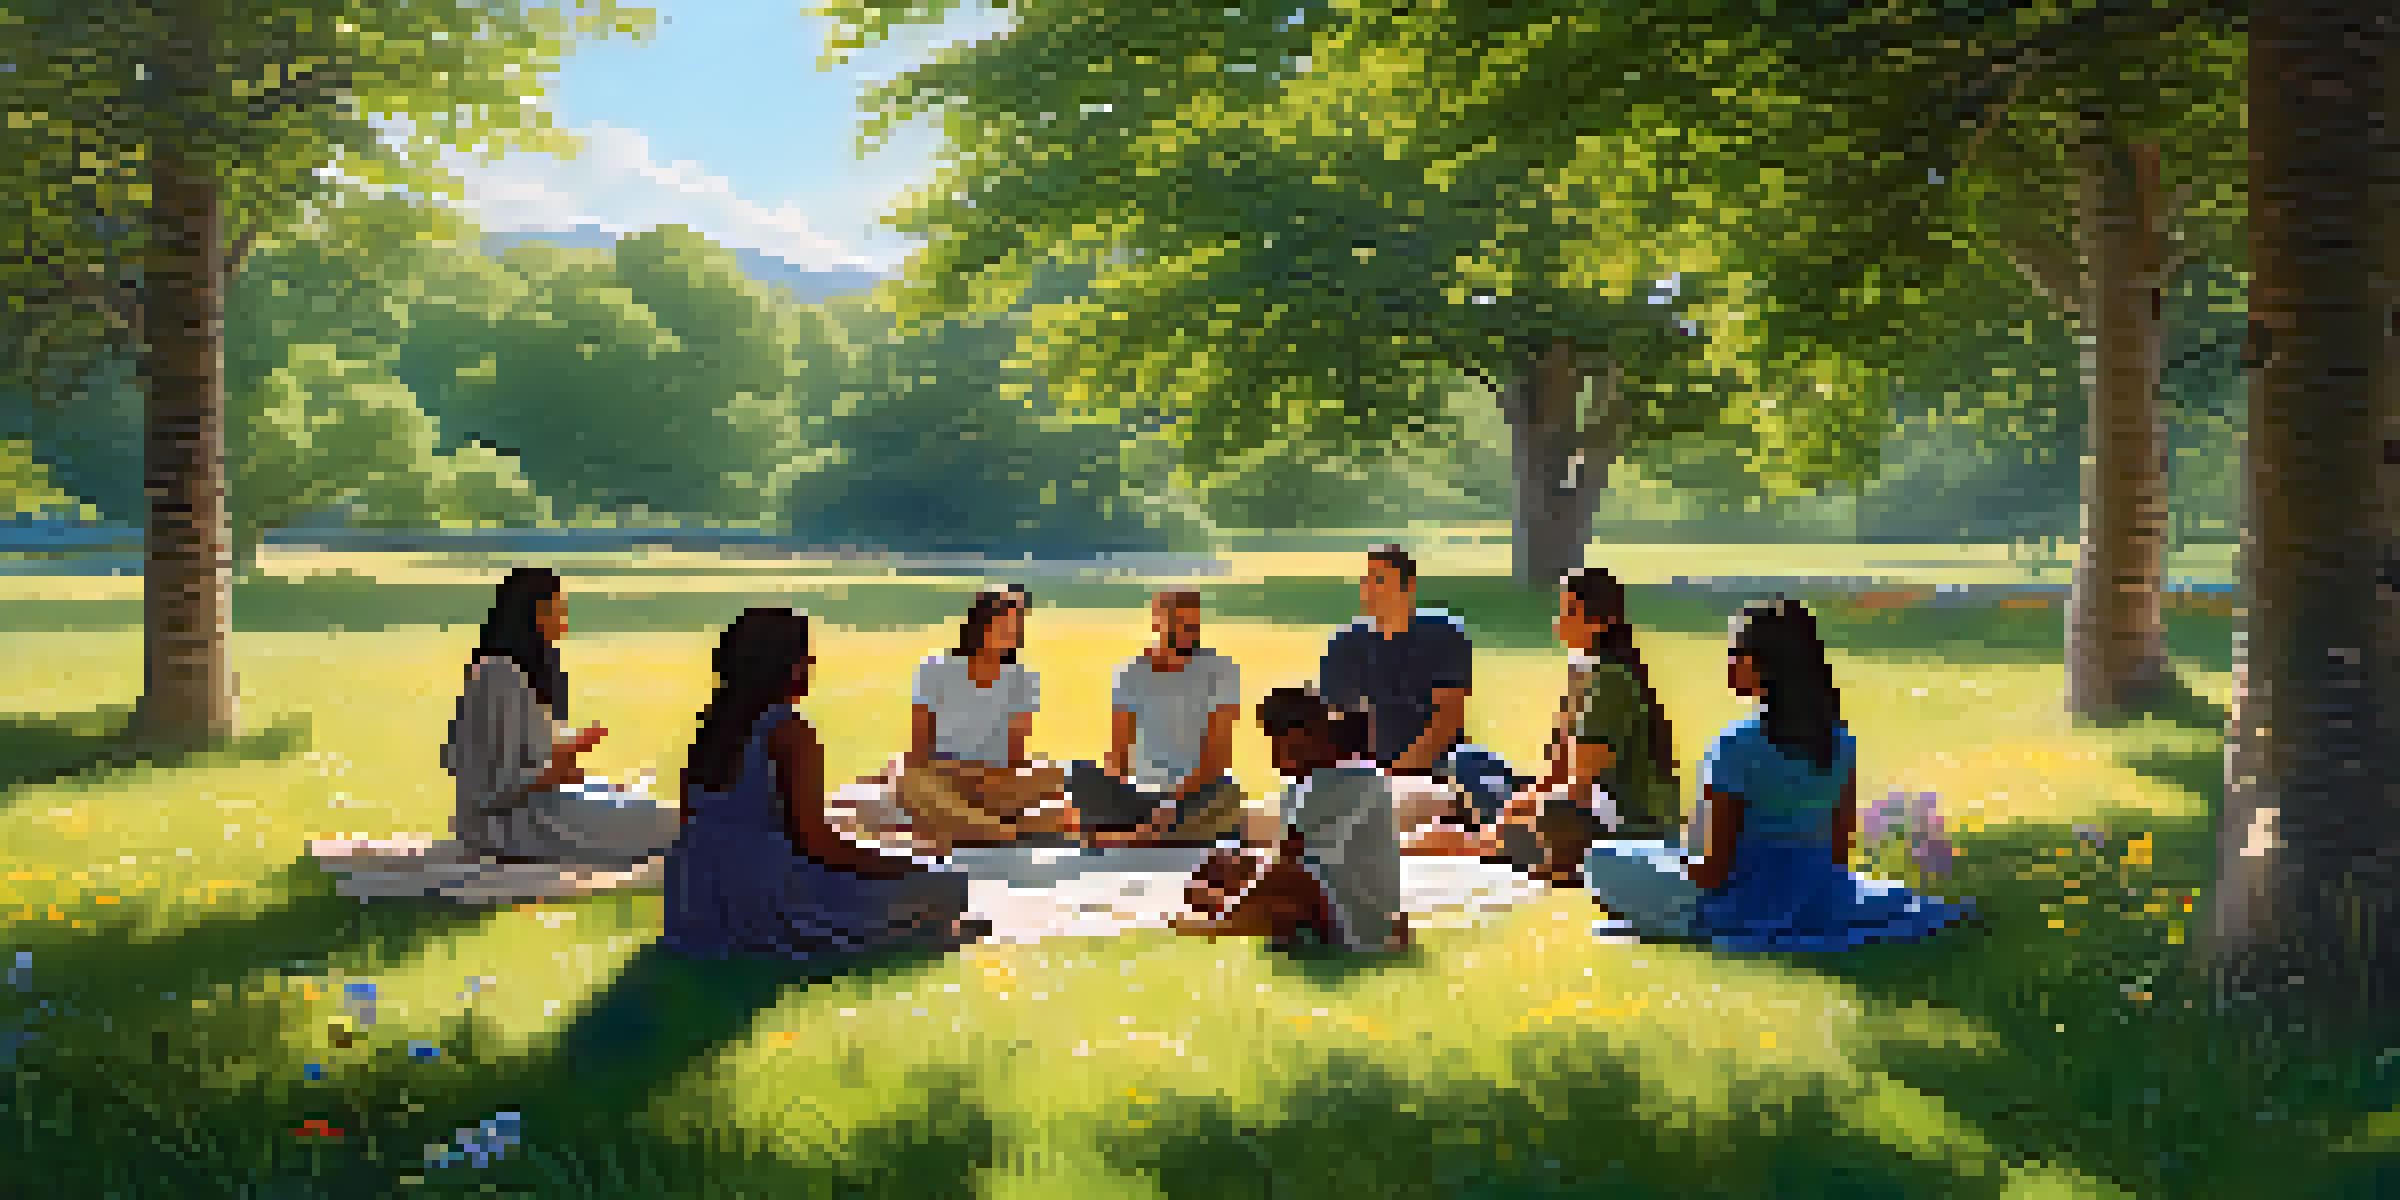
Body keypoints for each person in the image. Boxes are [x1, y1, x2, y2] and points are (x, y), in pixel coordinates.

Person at [1581, 598, 1978, 951]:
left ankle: (1665, 918)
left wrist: (1673, 864)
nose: (1729, 665)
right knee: (1643, 855)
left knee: (1602, 859)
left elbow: (1714, 870)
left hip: (1739, 899)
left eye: (1737, 654)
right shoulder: (1840, 742)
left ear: (1763, 665)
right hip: (1818, 892)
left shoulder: (1735, 745)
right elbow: (1839, 852)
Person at [664, 607, 985, 958]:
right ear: (787, 665)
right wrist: (902, 863)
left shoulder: (711, 725)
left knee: (915, 869)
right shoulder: (788, 729)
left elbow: (691, 819)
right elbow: (816, 843)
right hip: (765, 893)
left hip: (693, 896)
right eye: (805, 656)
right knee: (945, 880)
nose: (811, 664)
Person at [1451, 567, 1684, 884]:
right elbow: (1558, 765)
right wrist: (1521, 803)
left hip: (1624, 829)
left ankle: (1498, 845)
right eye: (1561, 610)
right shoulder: (1588, 672)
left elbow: (1578, 786)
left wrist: (1516, 813)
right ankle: (1492, 839)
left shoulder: (1610, 682)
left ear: (1600, 622)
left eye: (1571, 611)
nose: (1559, 621)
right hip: (1582, 806)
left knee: (1539, 814)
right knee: (1470, 762)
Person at [441, 567, 676, 867]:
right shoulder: (496, 675)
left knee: (637, 804)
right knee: (654, 818)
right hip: (505, 823)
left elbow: (531, 757)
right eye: (558, 611)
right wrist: (561, 763)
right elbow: (490, 785)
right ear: (534, 614)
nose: (563, 624)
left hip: (538, 801)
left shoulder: (527, 670)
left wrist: (573, 766)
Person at [1172, 687, 1408, 953]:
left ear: (1303, 739)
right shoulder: (1305, 782)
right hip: (1330, 902)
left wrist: (1238, 887)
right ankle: (1234, 913)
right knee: (1235, 868)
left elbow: (1290, 867)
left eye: (1276, 741)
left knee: (1289, 879)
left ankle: (1220, 922)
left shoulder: (1353, 779)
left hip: (1365, 923)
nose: (1273, 756)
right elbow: (1296, 856)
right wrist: (1236, 867)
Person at [1320, 545, 1528, 838]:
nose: (1370, 589)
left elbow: (1448, 721)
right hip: (1370, 775)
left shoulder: (1442, 634)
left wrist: (1393, 776)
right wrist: (1370, 780)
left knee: (1472, 765)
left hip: (1441, 766)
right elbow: (1339, 725)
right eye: (1366, 580)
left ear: (1409, 587)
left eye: (1380, 580)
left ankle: (1517, 821)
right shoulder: (1345, 644)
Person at [871, 585, 1079, 853]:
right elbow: (919, 750)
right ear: (980, 624)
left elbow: (1015, 756)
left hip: (995, 784)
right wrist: (961, 773)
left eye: (1017, 625)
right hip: (943, 778)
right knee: (905, 777)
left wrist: (984, 776)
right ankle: (1009, 832)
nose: (1012, 632)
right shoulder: (935, 669)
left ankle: (968, 827)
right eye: (1004, 623)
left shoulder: (1023, 679)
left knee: (1057, 778)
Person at [1069, 590, 1275, 848]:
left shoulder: (1220, 671)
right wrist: (1111, 792)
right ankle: (1151, 833)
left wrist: (1172, 801)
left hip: (1195, 795)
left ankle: (1136, 837)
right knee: (1080, 773)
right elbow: (1119, 757)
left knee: (1228, 794)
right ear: (1157, 622)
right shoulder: (1131, 673)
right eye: (1180, 625)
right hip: (1143, 796)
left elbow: (1217, 759)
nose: (1189, 633)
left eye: (1193, 625)